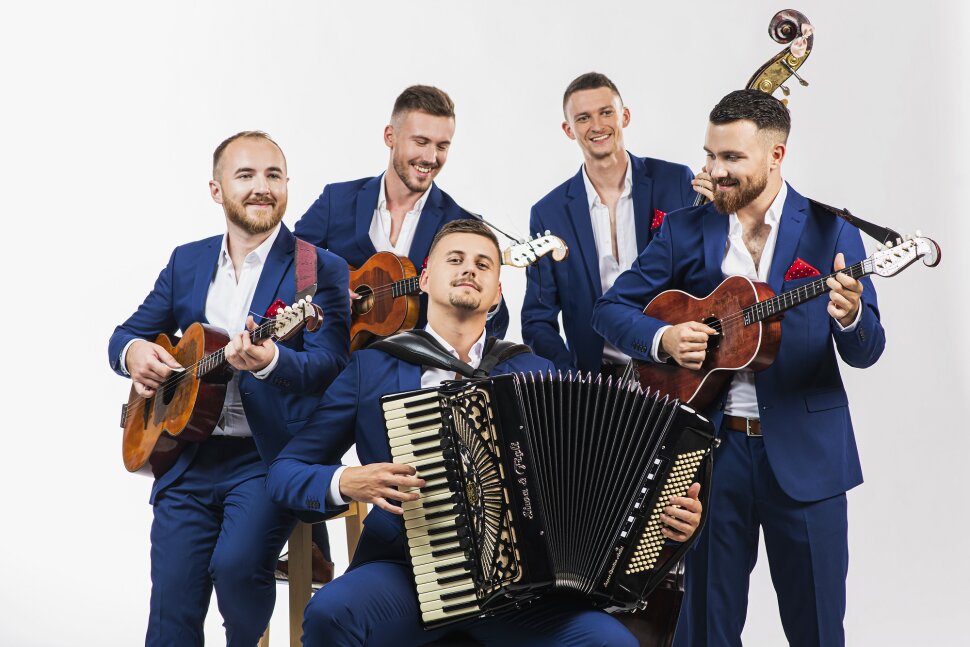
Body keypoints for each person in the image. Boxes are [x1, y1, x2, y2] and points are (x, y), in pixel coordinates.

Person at [266, 219, 703, 647]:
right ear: (424, 279)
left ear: (497, 292)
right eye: (455, 259)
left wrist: (668, 520)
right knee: (330, 615)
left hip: (523, 594)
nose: (469, 270)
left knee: (611, 643)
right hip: (408, 574)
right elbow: (286, 472)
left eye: (483, 264)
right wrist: (347, 480)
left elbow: (603, 479)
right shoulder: (372, 367)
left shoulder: (537, 373)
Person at [592, 89, 886, 647]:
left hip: (809, 457)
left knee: (818, 628)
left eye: (732, 158)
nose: (715, 171)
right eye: (710, 155)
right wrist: (663, 339)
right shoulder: (685, 229)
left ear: (776, 155)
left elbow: (867, 350)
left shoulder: (830, 230)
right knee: (707, 627)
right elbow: (609, 310)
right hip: (711, 457)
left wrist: (850, 318)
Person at [107, 131, 351, 646]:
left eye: (273, 175)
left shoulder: (317, 268)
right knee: (171, 602)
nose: (262, 187)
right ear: (217, 190)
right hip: (186, 455)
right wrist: (134, 354)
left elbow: (331, 366)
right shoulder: (187, 261)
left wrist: (272, 362)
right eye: (246, 175)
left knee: (236, 568)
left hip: (267, 457)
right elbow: (125, 335)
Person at [522, 72, 706, 376]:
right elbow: (537, 320)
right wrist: (569, 380)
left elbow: (706, 271)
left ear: (625, 116)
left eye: (606, 112)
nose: (597, 126)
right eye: (583, 118)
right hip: (597, 382)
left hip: (677, 372)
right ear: (568, 130)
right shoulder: (548, 213)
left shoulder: (675, 181)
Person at [294, 84, 509, 338]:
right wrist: (325, 292)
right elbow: (288, 259)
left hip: (418, 362)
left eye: (442, 146)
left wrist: (488, 303)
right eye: (421, 142)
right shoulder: (337, 199)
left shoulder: (463, 225)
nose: (431, 157)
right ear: (390, 136)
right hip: (337, 354)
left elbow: (493, 333)